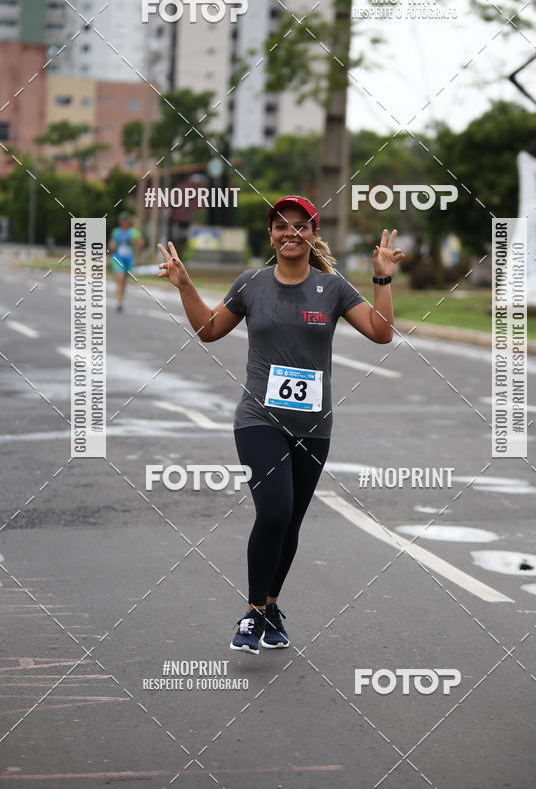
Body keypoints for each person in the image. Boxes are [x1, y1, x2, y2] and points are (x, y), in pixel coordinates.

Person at [157, 195, 404, 654]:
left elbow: (381, 332)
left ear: (313, 234)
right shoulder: (251, 284)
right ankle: (253, 613)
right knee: (274, 511)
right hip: (258, 420)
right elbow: (209, 330)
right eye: (281, 226)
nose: (291, 233)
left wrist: (383, 277)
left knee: (289, 523)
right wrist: (185, 285)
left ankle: (270, 607)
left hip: (314, 427)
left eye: (300, 226)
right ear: (270, 235)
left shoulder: (333, 288)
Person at [108, 212, 144, 312]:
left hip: (128, 259)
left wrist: (135, 241)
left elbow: (141, 243)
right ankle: (118, 301)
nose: (124, 222)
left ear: (128, 221)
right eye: (122, 220)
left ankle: (121, 300)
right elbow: (111, 244)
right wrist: (111, 246)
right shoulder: (116, 231)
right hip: (118, 257)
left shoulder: (133, 232)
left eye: (125, 220)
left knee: (124, 280)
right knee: (120, 278)